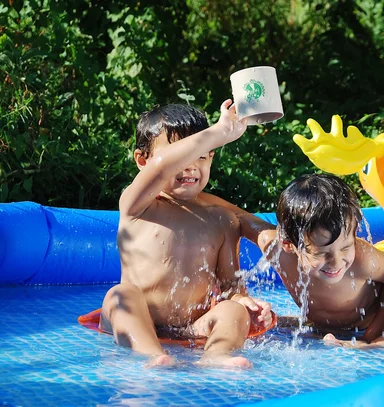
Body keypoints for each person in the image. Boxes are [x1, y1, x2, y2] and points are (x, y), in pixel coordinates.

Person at [100, 100, 272, 368]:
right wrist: (219, 132)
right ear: (143, 161)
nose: (190, 166)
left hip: (192, 327)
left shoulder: (221, 220)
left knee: (233, 311)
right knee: (120, 296)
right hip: (137, 320)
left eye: (201, 155)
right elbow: (160, 169)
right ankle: (151, 356)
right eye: (180, 156)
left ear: (211, 157)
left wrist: (245, 302)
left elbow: (230, 289)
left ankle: (217, 355)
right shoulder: (137, 205)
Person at [222, 173, 384, 348]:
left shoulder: (363, 259)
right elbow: (234, 215)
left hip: (380, 328)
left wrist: (375, 335)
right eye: (322, 253)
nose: (337, 263)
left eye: (346, 247)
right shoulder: (275, 247)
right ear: (289, 244)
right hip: (321, 330)